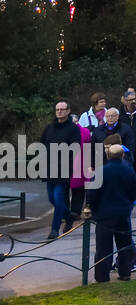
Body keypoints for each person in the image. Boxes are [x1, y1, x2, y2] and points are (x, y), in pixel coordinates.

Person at [85, 143, 136, 282]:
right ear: (122, 155)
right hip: (123, 213)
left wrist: (93, 208)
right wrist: (128, 204)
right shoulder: (129, 170)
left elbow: (92, 193)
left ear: (108, 155)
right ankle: (125, 272)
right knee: (124, 245)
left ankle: (102, 277)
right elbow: (134, 192)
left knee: (103, 247)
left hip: (105, 214)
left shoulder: (102, 171)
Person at [39, 100, 81, 239]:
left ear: (68, 111)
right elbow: (42, 145)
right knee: (52, 198)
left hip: (63, 168)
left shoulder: (73, 128)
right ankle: (69, 216)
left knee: (58, 198)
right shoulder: (49, 128)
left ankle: (54, 229)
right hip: (49, 168)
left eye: (62, 109)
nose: (59, 112)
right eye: (57, 109)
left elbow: (76, 148)